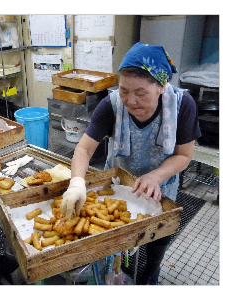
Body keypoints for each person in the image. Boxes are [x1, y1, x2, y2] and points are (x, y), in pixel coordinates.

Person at [61, 42, 201, 285]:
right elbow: (84, 148)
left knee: (157, 240)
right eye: (124, 90)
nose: (131, 101)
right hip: (117, 190)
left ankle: (149, 277)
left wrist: (156, 176)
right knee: (115, 241)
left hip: (161, 189)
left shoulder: (182, 106)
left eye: (141, 93)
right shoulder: (112, 104)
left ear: (161, 87)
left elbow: (184, 155)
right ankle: (115, 274)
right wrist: (76, 183)